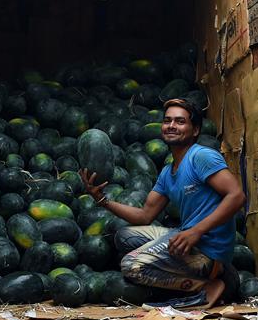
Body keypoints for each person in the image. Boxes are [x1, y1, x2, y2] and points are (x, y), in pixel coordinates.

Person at [80, 98, 246, 308]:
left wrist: (195, 231)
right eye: (167, 121)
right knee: (123, 236)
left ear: (195, 130)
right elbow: (144, 215)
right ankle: (211, 273)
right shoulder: (168, 172)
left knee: (131, 266)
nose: (171, 126)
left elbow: (237, 196)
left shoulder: (202, 157)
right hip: (188, 240)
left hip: (207, 249)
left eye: (180, 121)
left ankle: (206, 285)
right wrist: (102, 200)